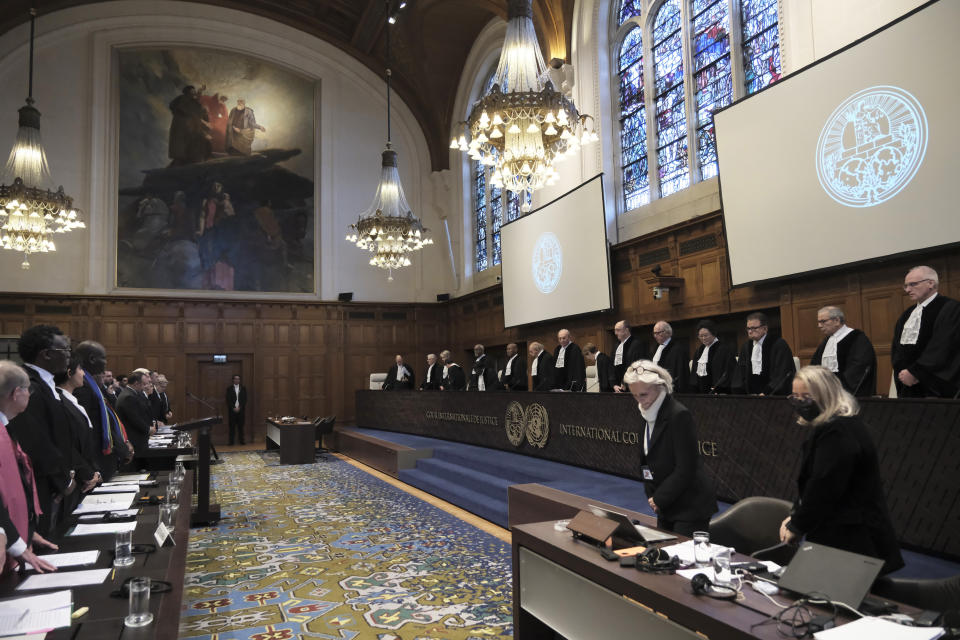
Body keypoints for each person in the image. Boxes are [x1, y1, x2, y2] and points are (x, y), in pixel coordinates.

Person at [779, 366, 904, 574]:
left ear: (826, 396)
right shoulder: (836, 425)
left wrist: (797, 525)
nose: (800, 404)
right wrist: (796, 515)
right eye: (795, 398)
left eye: (807, 398)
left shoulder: (837, 432)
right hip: (841, 531)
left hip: (852, 538)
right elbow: (813, 483)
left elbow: (823, 486)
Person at [625, 360, 717, 536]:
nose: (639, 401)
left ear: (660, 387)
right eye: (634, 395)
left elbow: (686, 467)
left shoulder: (678, 414)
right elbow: (647, 458)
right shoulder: (648, 412)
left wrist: (659, 498)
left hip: (689, 505)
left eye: (643, 394)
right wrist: (653, 496)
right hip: (665, 504)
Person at [6, 325, 76, 535]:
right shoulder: (27, 385)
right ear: (46, 354)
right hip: (44, 484)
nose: (69, 357)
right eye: (66, 351)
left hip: (55, 482)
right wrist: (63, 480)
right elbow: (35, 440)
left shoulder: (45, 383)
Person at [0, 361, 58, 575]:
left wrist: (26, 530)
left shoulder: (6, 427)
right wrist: (14, 539)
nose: (30, 395)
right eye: (28, 390)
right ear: (16, 393)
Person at [891, 266, 959, 398]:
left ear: (931, 283)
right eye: (906, 286)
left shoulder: (951, 308)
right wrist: (902, 372)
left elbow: (943, 345)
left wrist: (916, 373)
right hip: (907, 384)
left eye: (913, 284)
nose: (908, 290)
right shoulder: (907, 314)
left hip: (934, 385)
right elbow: (897, 348)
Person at [73, 342, 132, 482]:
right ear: (92, 359)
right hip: (96, 462)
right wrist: (90, 469)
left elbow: (108, 419)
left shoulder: (92, 385)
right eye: (104, 358)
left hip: (105, 458)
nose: (106, 362)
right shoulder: (83, 387)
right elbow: (84, 430)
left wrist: (122, 445)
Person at [53, 357, 101, 495]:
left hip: (88, 475)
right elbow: (68, 444)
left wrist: (95, 471)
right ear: (69, 373)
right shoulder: (60, 403)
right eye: (80, 369)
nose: (84, 374)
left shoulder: (72, 401)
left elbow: (87, 443)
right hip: (77, 478)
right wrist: (87, 473)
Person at [810, 306, 877, 396]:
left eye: (823, 321)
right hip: (826, 394)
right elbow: (814, 366)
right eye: (818, 322)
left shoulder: (857, 338)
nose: (819, 326)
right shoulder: (826, 342)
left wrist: (836, 388)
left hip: (849, 395)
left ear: (837, 321)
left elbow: (858, 369)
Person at [734, 312, 795, 395]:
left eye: (754, 328)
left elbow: (783, 373)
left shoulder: (779, 344)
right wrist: (741, 392)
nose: (750, 331)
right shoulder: (746, 347)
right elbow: (741, 373)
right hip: (750, 396)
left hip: (773, 396)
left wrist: (767, 392)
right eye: (748, 328)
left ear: (765, 329)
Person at [116, 372, 155, 465]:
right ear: (136, 383)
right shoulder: (128, 396)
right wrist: (148, 429)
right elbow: (135, 419)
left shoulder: (132, 393)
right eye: (144, 384)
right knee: (138, 467)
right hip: (134, 440)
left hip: (137, 438)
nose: (145, 387)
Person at [168, 85, 212, 165]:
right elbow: (181, 108)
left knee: (196, 140)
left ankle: (194, 157)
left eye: (194, 91)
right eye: (192, 91)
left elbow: (196, 102)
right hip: (183, 125)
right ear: (188, 92)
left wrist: (200, 91)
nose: (194, 93)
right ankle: (184, 159)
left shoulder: (191, 100)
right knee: (184, 143)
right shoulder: (183, 99)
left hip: (190, 124)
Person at [690, 319, 736, 394]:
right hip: (701, 393)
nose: (703, 338)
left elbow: (729, 373)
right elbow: (694, 375)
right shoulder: (699, 351)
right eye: (700, 336)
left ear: (713, 334)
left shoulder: (724, 349)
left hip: (718, 393)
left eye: (706, 335)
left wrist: (719, 388)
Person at [650, 321, 689, 393]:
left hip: (672, 390)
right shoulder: (655, 348)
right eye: (654, 333)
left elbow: (681, 373)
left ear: (668, 332)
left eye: (658, 333)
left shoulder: (678, 349)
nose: (655, 336)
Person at [613, 320, 644, 392]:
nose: (615, 333)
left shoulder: (637, 345)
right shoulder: (616, 346)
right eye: (615, 330)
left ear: (626, 330)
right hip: (617, 387)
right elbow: (612, 366)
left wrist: (625, 383)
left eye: (618, 330)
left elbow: (636, 366)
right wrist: (614, 384)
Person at [225, 374, 248, 445]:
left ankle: (242, 441)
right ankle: (231, 442)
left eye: (238, 379)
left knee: (241, 427)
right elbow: (228, 400)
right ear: (233, 380)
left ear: (240, 380)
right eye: (235, 379)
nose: (237, 380)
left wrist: (240, 407)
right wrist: (233, 407)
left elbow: (245, 399)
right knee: (232, 427)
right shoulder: (229, 389)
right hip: (232, 411)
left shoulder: (243, 388)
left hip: (241, 411)